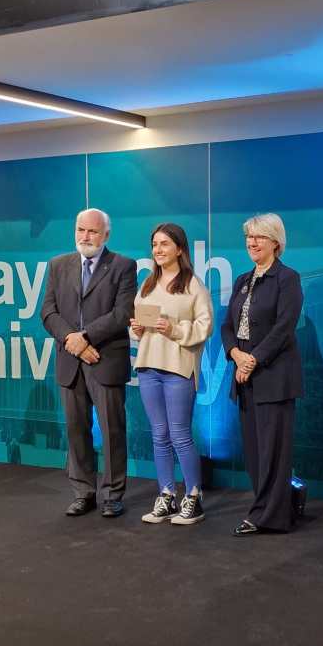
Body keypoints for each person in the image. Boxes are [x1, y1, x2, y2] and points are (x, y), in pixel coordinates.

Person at [41, 208, 136, 518]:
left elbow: (122, 313)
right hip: (71, 361)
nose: (85, 236)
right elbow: (48, 312)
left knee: (112, 431)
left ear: (106, 235)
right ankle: (83, 492)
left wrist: (85, 337)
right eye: (80, 229)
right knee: (76, 430)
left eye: (92, 231)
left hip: (106, 360)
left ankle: (112, 495)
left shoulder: (123, 266)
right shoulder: (58, 265)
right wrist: (73, 340)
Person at [221, 213, 303, 536]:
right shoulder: (243, 280)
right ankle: (267, 507)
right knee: (255, 451)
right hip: (245, 377)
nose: (252, 243)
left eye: (259, 237)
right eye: (249, 237)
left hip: (274, 377)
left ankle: (268, 516)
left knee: (273, 452)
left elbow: (284, 328)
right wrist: (236, 355)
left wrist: (253, 360)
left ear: (276, 243)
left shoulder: (287, 278)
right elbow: (228, 326)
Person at [130, 223, 213, 525]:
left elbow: (205, 326)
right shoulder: (148, 283)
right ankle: (166, 494)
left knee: (179, 434)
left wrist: (174, 328)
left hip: (178, 368)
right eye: (154, 244)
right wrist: (137, 329)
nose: (158, 249)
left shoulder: (193, 285)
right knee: (159, 434)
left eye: (164, 244)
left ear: (179, 248)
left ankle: (193, 496)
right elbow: (138, 326)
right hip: (148, 366)